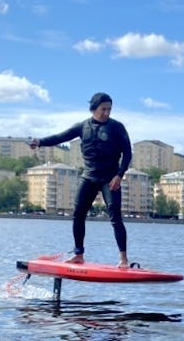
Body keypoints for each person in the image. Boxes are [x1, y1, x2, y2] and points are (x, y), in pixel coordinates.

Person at [30, 92, 133, 268]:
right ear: (94, 108)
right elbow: (60, 137)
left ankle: (123, 259)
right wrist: (40, 142)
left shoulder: (117, 127)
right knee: (78, 213)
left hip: (110, 177)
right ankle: (79, 254)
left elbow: (128, 153)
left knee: (115, 217)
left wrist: (119, 175)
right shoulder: (82, 127)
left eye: (109, 109)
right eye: (103, 109)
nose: (107, 112)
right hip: (89, 176)